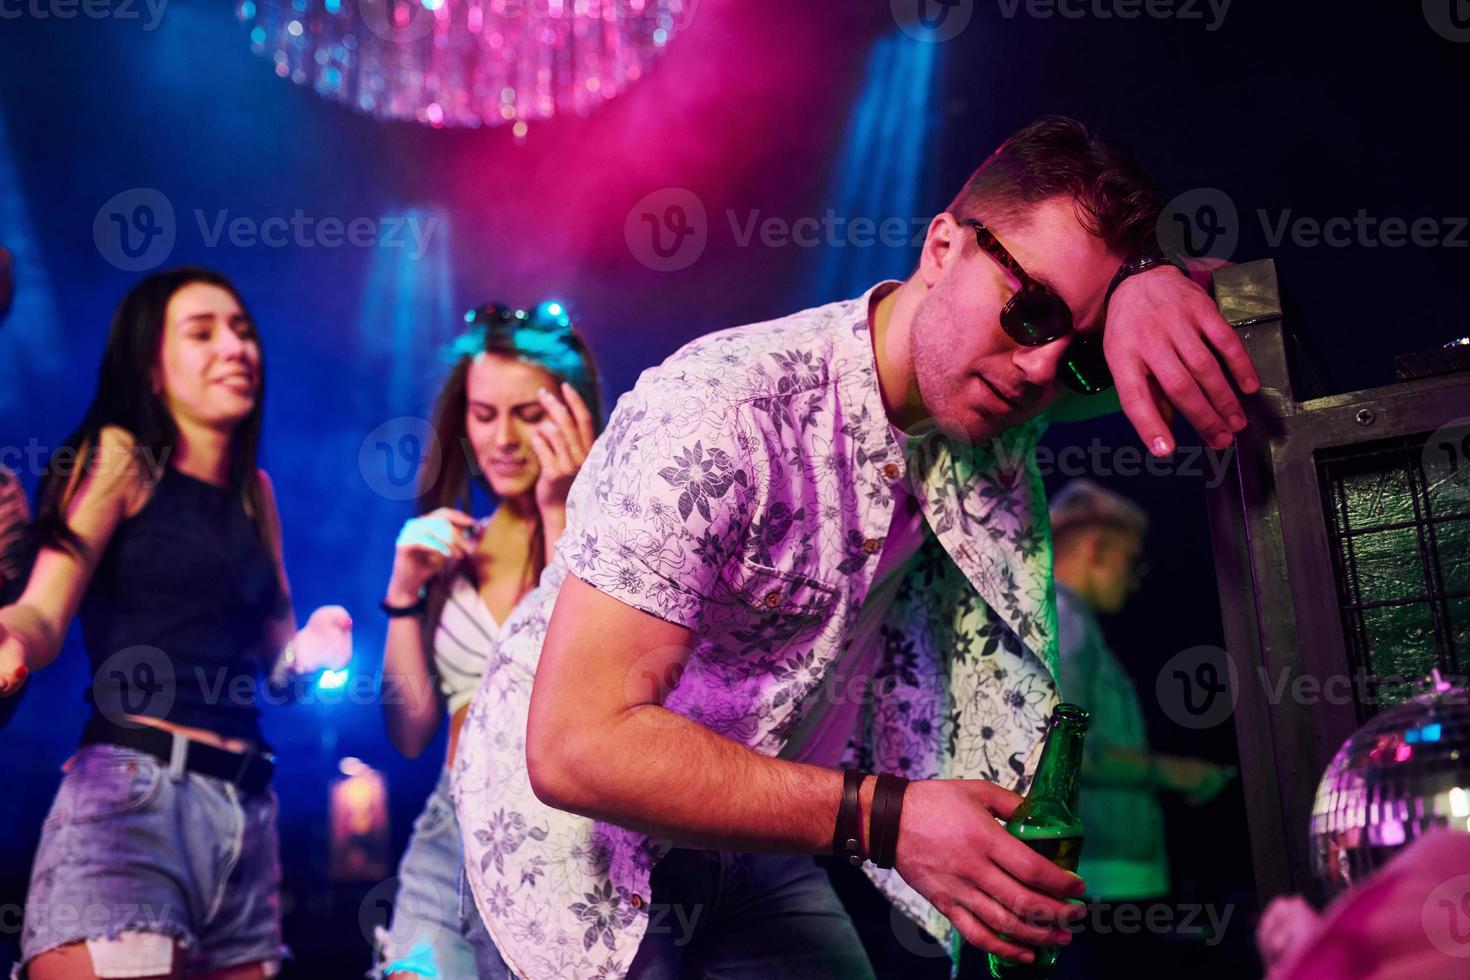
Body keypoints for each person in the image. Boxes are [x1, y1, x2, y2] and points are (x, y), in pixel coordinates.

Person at [454, 115, 1263, 979]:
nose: (1041, 369)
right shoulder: (722, 414)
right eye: (1032, 312)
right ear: (943, 246)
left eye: (1081, 351)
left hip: (746, 816)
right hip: (579, 850)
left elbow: (1222, 322)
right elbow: (578, 746)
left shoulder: (991, 393)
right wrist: (890, 820)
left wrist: (1148, 281)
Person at [0, 267, 353, 980]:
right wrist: (10, 635)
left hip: (249, 813)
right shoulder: (121, 456)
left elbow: (279, 667)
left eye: (243, 330)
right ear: (152, 370)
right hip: (133, 799)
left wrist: (312, 646)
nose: (235, 347)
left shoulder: (257, 494)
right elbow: (45, 605)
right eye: (202, 333)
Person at [373, 302, 601, 980]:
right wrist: (403, 594)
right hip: (451, 830)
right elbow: (408, 735)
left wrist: (563, 509)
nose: (501, 438)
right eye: (482, 413)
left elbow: (579, 684)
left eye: (528, 414)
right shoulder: (453, 548)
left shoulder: (614, 536)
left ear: (574, 415)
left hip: (568, 841)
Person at [1046, 478, 1235, 977]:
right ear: (1097, 548)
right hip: (1099, 882)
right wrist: (1177, 773)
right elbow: (1063, 754)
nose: (1136, 580)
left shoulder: (1071, 620)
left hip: (1103, 879)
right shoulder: (1066, 621)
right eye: (1134, 563)